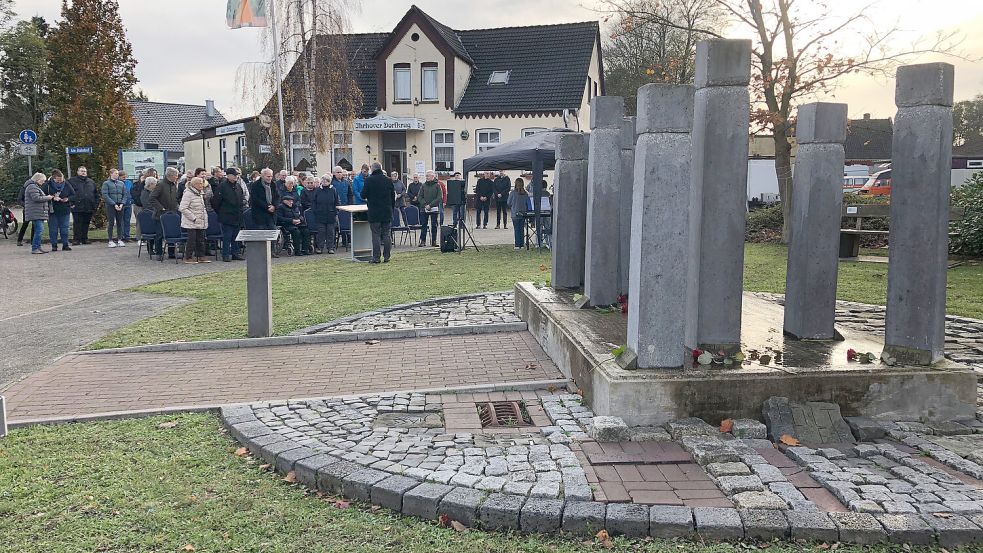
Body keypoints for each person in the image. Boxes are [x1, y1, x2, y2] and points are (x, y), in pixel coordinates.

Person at [361, 162, 395, 263]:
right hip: (387, 211)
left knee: (375, 234)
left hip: (374, 211)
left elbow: (363, 195)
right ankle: (387, 256)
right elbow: (393, 197)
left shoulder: (369, 180)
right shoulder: (388, 180)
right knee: (386, 234)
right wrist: (391, 209)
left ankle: (376, 257)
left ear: (372, 169)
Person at [211, 168, 245, 262]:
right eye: (234, 175)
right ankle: (225, 254)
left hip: (237, 215)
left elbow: (241, 198)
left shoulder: (238, 186)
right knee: (227, 236)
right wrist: (221, 212)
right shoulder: (222, 186)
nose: (236, 177)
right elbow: (216, 202)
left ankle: (235, 253)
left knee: (236, 236)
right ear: (228, 175)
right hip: (226, 215)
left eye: (237, 175)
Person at [149, 166, 180, 260]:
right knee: (160, 234)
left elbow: (175, 198)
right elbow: (152, 198)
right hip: (161, 215)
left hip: (172, 214)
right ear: (170, 176)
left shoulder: (174, 185)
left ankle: (171, 253)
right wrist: (161, 208)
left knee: (172, 233)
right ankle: (158, 253)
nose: (177, 177)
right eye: (176, 176)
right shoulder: (161, 184)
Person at [178, 176, 211, 263]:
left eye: (202, 183)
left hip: (201, 220)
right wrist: (193, 217)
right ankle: (188, 257)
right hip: (191, 221)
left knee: (201, 239)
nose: (201, 185)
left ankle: (201, 256)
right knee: (191, 240)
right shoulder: (188, 193)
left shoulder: (200, 193)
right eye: (199, 183)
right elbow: (183, 208)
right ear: (194, 184)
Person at [42, 170, 74, 251]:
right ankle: (54, 245)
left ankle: (65, 244)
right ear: (53, 178)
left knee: (64, 229)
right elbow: (41, 196)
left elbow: (73, 195)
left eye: (61, 180)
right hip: (52, 210)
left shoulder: (66, 184)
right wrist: (52, 197)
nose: (60, 182)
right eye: (58, 180)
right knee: (53, 229)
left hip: (65, 209)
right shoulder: (47, 185)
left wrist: (68, 199)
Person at [24, 172, 53, 254]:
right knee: (39, 230)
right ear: (38, 179)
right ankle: (35, 248)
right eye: (42, 180)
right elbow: (36, 198)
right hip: (35, 213)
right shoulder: (32, 187)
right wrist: (47, 197)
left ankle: (38, 247)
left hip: (37, 212)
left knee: (39, 230)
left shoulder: (34, 186)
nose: (43, 182)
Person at [68, 166, 98, 245]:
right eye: (81, 171)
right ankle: (76, 239)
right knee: (77, 223)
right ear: (78, 172)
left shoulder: (91, 182)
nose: (83, 172)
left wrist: (95, 204)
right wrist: (71, 204)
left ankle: (85, 238)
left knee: (86, 223)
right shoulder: (72, 181)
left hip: (89, 206)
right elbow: (68, 193)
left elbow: (95, 194)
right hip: (77, 206)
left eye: (85, 171)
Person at [311, 175, 340, 254]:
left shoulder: (333, 190)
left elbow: (337, 202)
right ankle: (320, 248)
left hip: (331, 215)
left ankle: (330, 248)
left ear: (329, 181)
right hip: (320, 214)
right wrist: (315, 211)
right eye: (323, 180)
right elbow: (313, 202)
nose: (324, 182)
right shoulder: (317, 190)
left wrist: (336, 211)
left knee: (331, 232)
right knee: (321, 232)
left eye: (326, 181)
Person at [102, 168, 127, 248]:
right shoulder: (106, 183)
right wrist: (114, 204)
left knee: (120, 222)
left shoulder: (121, 183)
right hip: (111, 205)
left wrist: (122, 203)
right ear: (111, 174)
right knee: (111, 222)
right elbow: (105, 195)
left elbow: (125, 194)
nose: (117, 175)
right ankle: (110, 240)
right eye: (115, 173)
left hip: (120, 205)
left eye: (117, 173)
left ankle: (119, 239)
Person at [418, 170, 442, 247]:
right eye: (426, 176)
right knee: (423, 225)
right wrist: (425, 205)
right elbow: (420, 196)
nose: (426, 177)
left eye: (428, 176)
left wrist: (430, 205)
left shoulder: (437, 185)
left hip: (434, 208)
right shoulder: (423, 185)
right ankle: (423, 241)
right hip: (424, 208)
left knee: (434, 225)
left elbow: (439, 197)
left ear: (432, 176)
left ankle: (434, 241)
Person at [15, 176, 37, 247]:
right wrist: (25, 205)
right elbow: (19, 199)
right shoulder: (24, 188)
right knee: (25, 224)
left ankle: (33, 241)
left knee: (34, 225)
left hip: (34, 209)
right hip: (27, 209)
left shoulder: (36, 187)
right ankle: (19, 240)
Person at [508, 177, 529, 250]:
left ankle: (517, 244)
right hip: (523, 214)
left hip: (515, 213)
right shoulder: (525, 193)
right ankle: (522, 244)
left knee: (516, 229)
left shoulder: (513, 193)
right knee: (522, 229)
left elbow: (508, 203)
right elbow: (527, 203)